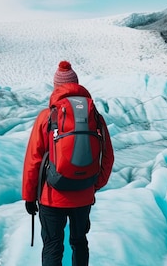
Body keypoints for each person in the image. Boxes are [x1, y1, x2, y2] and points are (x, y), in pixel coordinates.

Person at [22, 60, 115, 266]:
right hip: (83, 195)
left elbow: (33, 160)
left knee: (53, 246)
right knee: (79, 242)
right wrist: (93, 185)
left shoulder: (47, 117)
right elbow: (108, 156)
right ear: (76, 85)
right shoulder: (95, 116)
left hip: (52, 196)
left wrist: (29, 196)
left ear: (56, 87)